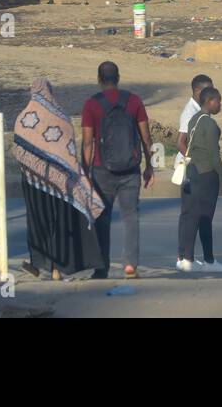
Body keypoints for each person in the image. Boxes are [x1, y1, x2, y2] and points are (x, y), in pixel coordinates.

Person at [13, 78, 105, 279]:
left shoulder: (23, 117)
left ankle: (39, 264)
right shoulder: (63, 118)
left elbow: (18, 149)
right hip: (61, 184)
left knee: (39, 221)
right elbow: (69, 152)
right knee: (59, 223)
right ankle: (56, 269)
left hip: (34, 182)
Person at [81, 61, 156, 279]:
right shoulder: (134, 101)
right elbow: (146, 137)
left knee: (102, 218)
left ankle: (101, 267)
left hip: (101, 169)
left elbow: (87, 143)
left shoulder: (91, 104)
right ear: (119, 77)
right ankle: (130, 265)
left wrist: (85, 173)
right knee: (131, 216)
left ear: (98, 79)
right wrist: (149, 166)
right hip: (130, 168)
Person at [176, 87, 222, 273]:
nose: (220, 104)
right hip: (206, 175)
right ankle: (208, 261)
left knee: (192, 217)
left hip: (193, 171)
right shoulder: (209, 124)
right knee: (204, 219)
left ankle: (188, 259)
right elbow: (214, 157)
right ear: (209, 101)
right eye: (218, 101)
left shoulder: (195, 119)